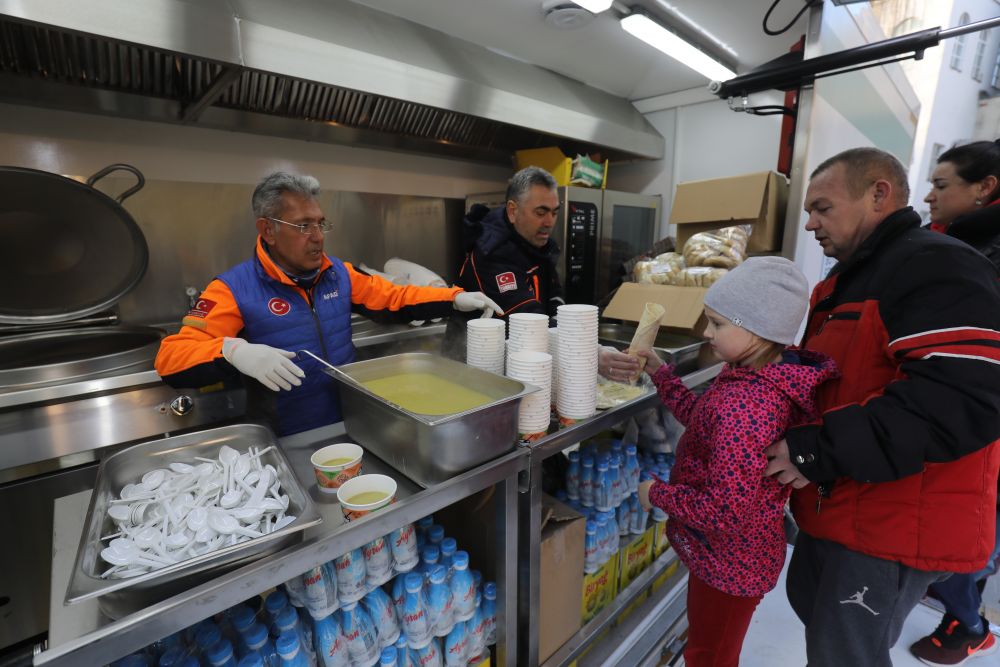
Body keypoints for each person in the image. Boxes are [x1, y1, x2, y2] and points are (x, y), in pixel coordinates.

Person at [762, 148, 1000, 667]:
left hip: (888, 524)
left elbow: (960, 398)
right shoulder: (846, 279)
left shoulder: (933, 265)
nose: (809, 224)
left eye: (822, 207)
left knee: (845, 655)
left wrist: (816, 449)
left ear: (878, 193)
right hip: (842, 512)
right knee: (823, 628)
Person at [155, 171, 501, 436]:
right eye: (303, 226)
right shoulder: (233, 289)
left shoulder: (338, 273)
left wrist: (454, 297)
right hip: (287, 437)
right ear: (268, 230)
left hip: (354, 424)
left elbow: (395, 297)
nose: (318, 236)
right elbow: (171, 357)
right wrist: (232, 351)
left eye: (320, 223)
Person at [636, 257, 838, 667]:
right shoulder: (753, 378)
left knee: (710, 655)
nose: (706, 332)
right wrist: (661, 373)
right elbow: (703, 422)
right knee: (709, 646)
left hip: (732, 563)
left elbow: (724, 511)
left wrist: (657, 493)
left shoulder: (746, 407)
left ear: (758, 330)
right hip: (732, 555)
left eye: (717, 323)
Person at [908, 140, 1000, 665]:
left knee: (972, 531)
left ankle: (968, 625)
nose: (929, 196)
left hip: (982, 423)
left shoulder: (981, 257)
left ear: (983, 189)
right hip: (958, 417)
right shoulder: (951, 242)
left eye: (942, 186)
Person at [448, 165, 639, 379]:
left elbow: (554, 300)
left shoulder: (536, 245)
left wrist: (583, 341)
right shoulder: (490, 254)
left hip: (525, 365)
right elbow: (527, 318)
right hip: (474, 371)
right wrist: (591, 353)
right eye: (540, 212)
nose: (549, 222)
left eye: (554, 212)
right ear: (513, 211)